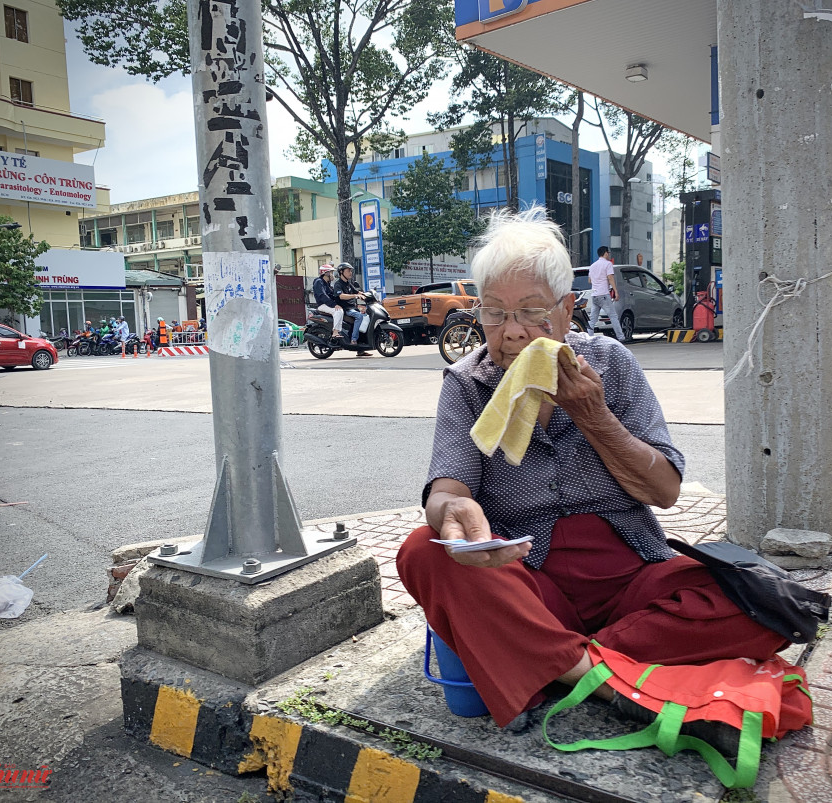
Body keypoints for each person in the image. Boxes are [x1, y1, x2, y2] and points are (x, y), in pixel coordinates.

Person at [396, 207, 788, 735]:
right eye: (493, 313)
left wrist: (594, 416)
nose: (511, 333)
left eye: (531, 312)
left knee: (760, 604)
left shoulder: (610, 363)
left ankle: (555, 663)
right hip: (530, 583)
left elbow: (665, 491)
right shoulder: (468, 382)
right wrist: (451, 511)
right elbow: (448, 485)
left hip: (631, 575)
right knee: (423, 550)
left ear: (567, 309)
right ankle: (608, 680)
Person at [587, 246, 627, 341]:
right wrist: (616, 291)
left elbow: (589, 280)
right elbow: (610, 278)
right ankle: (621, 337)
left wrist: (598, 280)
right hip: (604, 294)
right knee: (613, 316)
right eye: (608, 253)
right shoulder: (608, 264)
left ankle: (589, 338)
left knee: (592, 319)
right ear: (605, 253)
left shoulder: (592, 266)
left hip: (594, 295)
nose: (609, 255)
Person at [333, 264, 370, 355]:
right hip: (345, 309)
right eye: (348, 271)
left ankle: (360, 348)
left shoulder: (348, 283)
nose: (351, 273)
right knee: (359, 316)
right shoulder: (338, 284)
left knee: (366, 318)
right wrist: (355, 296)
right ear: (341, 272)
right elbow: (341, 296)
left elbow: (357, 292)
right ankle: (354, 340)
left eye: (351, 271)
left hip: (353, 308)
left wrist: (368, 295)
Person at [312, 265, 345, 339]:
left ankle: (340, 332)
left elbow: (333, 295)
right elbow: (322, 296)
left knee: (342, 309)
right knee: (338, 311)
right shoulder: (318, 282)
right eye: (331, 272)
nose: (332, 275)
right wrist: (334, 305)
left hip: (327, 304)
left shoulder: (327, 284)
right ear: (326, 273)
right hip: (322, 305)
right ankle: (335, 332)